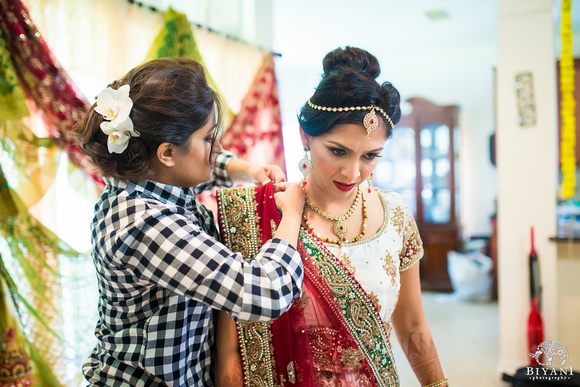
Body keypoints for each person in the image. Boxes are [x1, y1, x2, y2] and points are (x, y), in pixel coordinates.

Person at [215, 47, 447, 387]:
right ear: (305, 138)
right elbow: (231, 352)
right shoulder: (255, 214)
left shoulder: (394, 214)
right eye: (338, 151)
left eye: (370, 156)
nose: (353, 172)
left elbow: (413, 327)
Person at [69, 57, 305, 386]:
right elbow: (263, 291)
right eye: (209, 138)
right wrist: (292, 215)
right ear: (167, 153)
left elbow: (200, 167)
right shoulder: (145, 224)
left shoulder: (143, 180)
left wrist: (249, 170)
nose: (218, 146)